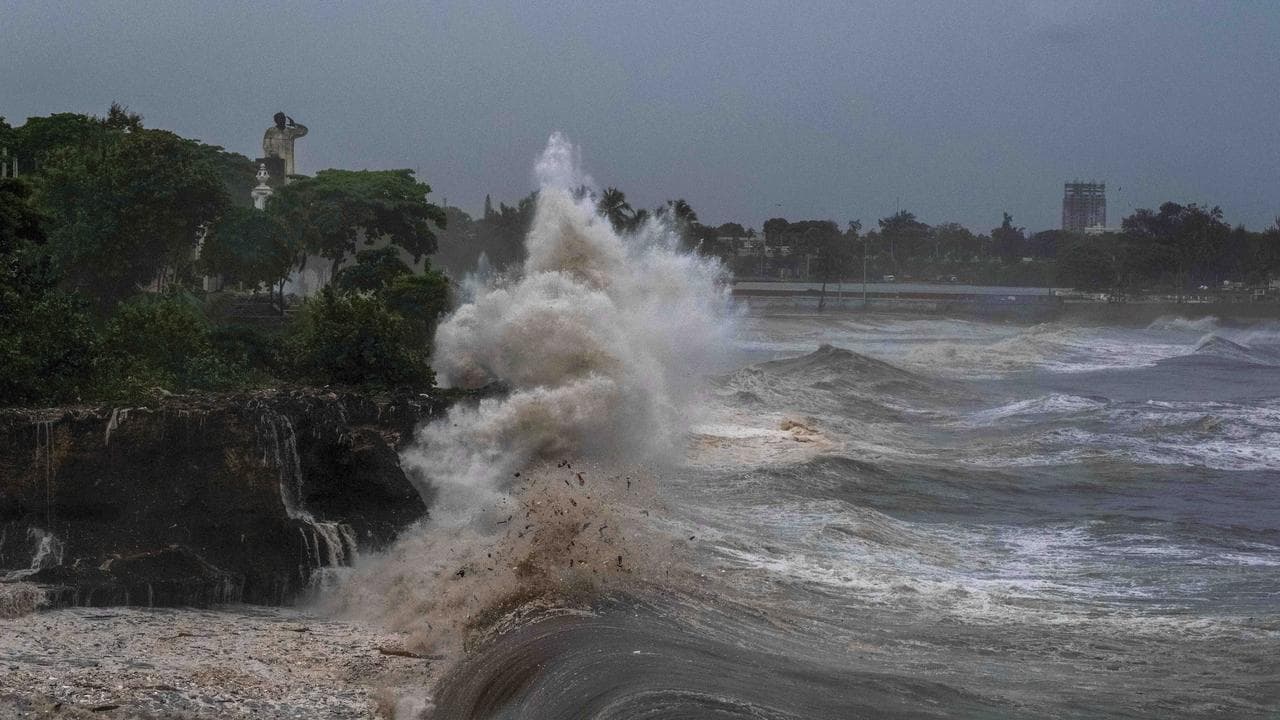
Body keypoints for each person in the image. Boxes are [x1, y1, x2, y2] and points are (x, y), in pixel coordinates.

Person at [262, 112, 308, 177]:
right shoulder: (271, 131)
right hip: (274, 159)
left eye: (283, 118)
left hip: (288, 161)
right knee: (275, 178)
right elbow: (266, 145)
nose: (282, 120)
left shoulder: (290, 131)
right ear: (276, 121)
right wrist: (271, 153)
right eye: (280, 118)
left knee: (288, 177)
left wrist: (294, 125)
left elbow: (304, 131)